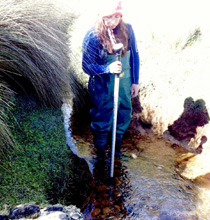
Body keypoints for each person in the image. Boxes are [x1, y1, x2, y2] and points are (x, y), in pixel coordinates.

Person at [82, 1, 140, 160]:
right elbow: (86, 66)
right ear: (101, 15)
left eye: (116, 17)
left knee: (123, 114)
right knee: (102, 117)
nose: (112, 22)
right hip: (102, 86)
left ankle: (116, 153)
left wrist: (135, 81)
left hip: (124, 83)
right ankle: (100, 155)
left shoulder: (128, 30)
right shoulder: (93, 35)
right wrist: (107, 69)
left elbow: (134, 55)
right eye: (108, 17)